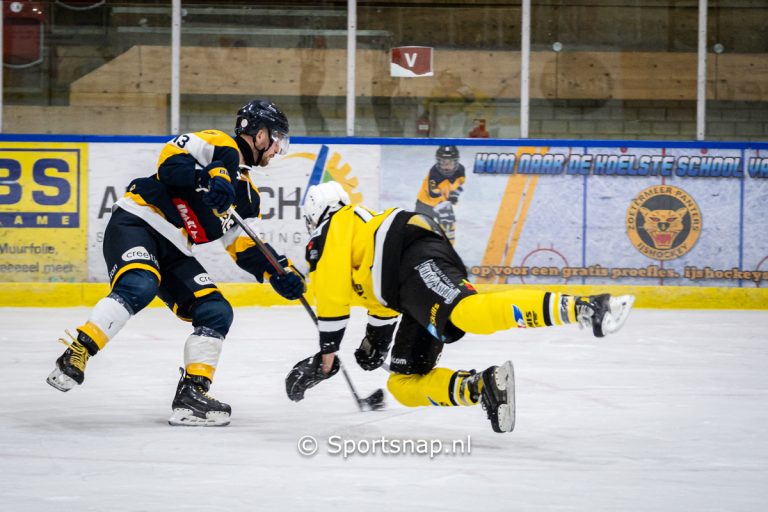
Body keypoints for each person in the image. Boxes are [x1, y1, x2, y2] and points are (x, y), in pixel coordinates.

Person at [285, 182, 634, 433]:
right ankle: (485, 387)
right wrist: (375, 341)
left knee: (466, 312)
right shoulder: (354, 237)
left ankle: (587, 307)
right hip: (405, 281)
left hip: (410, 256)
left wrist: (326, 359)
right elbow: (381, 298)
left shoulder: (332, 229)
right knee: (403, 382)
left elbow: (330, 298)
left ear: (316, 214)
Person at [46, 100, 306, 427]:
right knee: (140, 284)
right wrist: (208, 176)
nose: (278, 149)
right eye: (277, 139)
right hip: (138, 221)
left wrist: (278, 271)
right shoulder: (218, 143)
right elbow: (170, 162)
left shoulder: (248, 196)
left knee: (216, 311)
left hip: (175, 248)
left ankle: (192, 395)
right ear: (259, 134)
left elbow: (244, 246)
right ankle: (77, 352)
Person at [414, 145, 466, 244]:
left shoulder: (460, 171)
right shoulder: (434, 174)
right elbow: (433, 194)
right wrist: (446, 205)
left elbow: (459, 184)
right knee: (420, 230)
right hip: (424, 203)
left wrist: (454, 195)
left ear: (456, 162)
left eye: (450, 162)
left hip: (443, 201)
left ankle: (448, 250)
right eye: (443, 162)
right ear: (438, 162)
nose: (446, 166)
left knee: (449, 228)